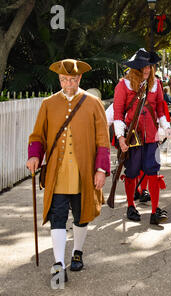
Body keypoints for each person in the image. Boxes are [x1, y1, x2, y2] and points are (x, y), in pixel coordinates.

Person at [26, 59, 111, 284]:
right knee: (58, 216)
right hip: (58, 173)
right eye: (64, 80)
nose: (68, 84)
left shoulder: (93, 103)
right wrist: (34, 155)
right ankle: (58, 264)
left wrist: (101, 169)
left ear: (80, 78)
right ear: (59, 79)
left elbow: (103, 140)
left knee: (81, 215)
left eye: (72, 79)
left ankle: (78, 252)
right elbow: (37, 136)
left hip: (84, 172)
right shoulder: (48, 103)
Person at [113, 48, 171, 225]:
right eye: (143, 67)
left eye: (149, 66)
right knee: (131, 172)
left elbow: (161, 109)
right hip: (132, 137)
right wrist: (120, 137)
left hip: (151, 136)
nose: (147, 70)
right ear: (135, 69)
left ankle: (155, 211)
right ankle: (131, 205)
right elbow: (118, 113)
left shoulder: (156, 84)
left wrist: (166, 128)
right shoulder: (123, 85)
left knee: (152, 170)